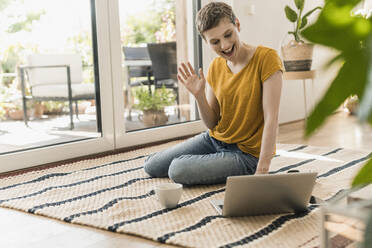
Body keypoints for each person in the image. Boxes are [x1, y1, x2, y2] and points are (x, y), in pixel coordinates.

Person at [144, 1, 283, 185]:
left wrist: (262, 170)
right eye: (215, 42)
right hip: (214, 140)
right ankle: (216, 160)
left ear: (238, 25)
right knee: (152, 166)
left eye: (228, 35)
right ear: (206, 42)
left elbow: (272, 118)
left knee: (177, 169)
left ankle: (227, 165)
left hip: (246, 154)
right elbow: (212, 123)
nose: (225, 46)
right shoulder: (216, 67)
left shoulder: (267, 59)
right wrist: (199, 96)